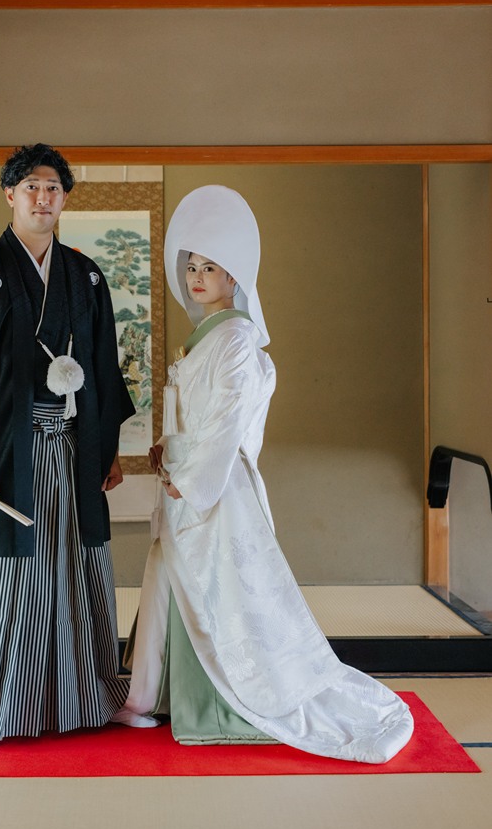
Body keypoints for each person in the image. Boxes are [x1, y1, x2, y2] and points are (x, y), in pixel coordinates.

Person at [123, 185, 414, 763]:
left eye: (210, 268)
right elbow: (195, 417)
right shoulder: (210, 336)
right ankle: (148, 696)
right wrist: (164, 449)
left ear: (234, 277)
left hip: (215, 493)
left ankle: (214, 706)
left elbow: (226, 423)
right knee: (173, 584)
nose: (198, 277)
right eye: (192, 267)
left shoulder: (234, 338)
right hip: (187, 483)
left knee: (221, 603)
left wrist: (191, 478)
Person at [0, 143, 141, 754]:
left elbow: (103, 367)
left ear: (64, 198)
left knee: (74, 570)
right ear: (10, 195)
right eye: (31, 188)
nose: (43, 198)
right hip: (5, 452)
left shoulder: (85, 276)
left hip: (72, 449)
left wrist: (107, 450)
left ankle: (91, 697)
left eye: (53, 189)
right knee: (0, 580)